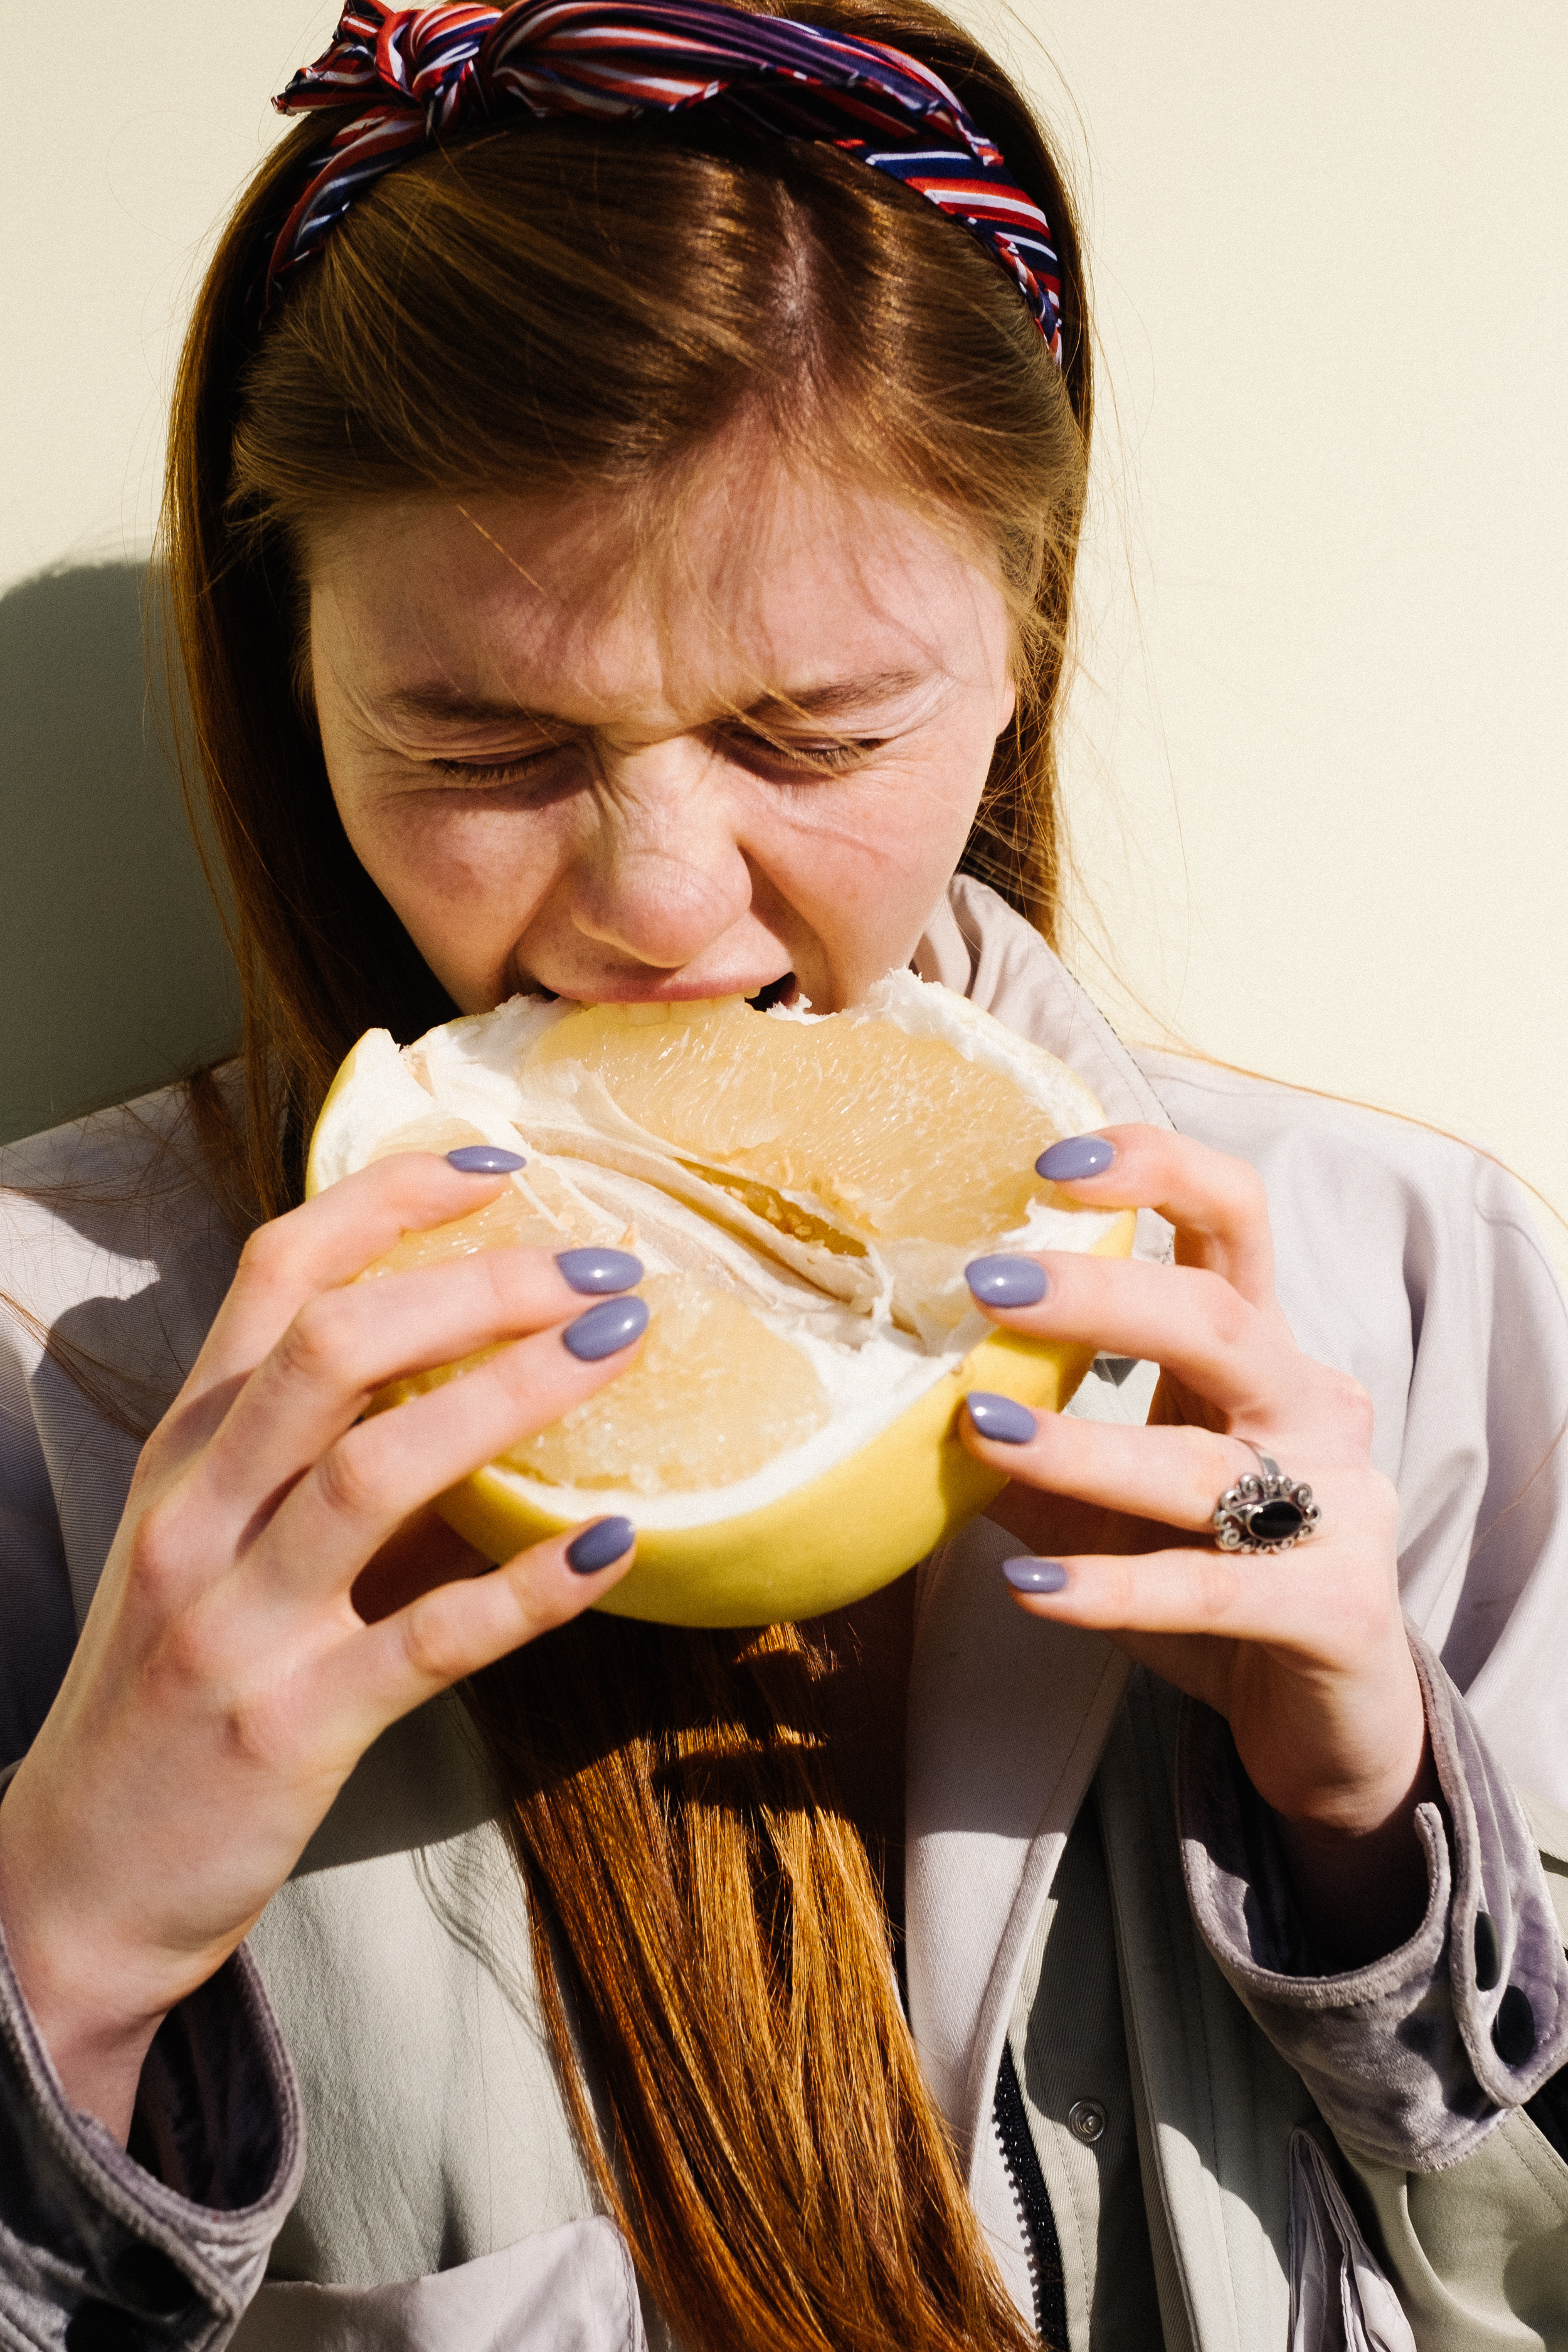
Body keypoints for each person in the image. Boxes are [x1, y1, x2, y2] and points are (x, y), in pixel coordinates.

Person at [1, 2, 1565, 2346]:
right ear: (289, 674)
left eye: (814, 733)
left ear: (1020, 648)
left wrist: (1369, 1841)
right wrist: (70, 1943)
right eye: (480, 740)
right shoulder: (48, 1359)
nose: (657, 899)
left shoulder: (1399, 1290)